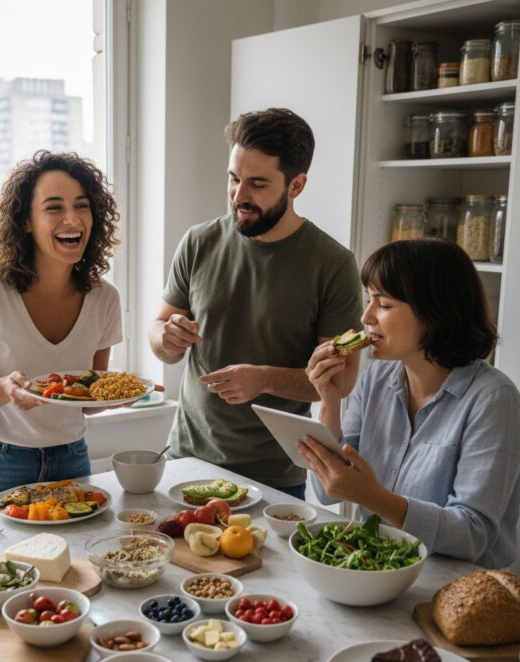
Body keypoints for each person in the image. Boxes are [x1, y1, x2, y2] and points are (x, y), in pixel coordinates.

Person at [148, 108, 363, 497]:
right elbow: (159, 332)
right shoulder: (199, 242)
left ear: (296, 185)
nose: (239, 196)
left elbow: (341, 381)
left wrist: (263, 378)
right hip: (187, 462)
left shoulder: (333, 265)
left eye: (258, 184)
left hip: (273, 477)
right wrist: (166, 337)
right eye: (233, 179)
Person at [299, 238, 520, 568]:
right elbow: (326, 491)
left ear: (435, 311)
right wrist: (329, 399)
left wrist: (371, 496)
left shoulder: (494, 402)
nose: (366, 317)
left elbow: (472, 535)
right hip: (380, 570)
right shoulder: (376, 378)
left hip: (461, 588)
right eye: (368, 300)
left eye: (384, 304)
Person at [0, 150, 122, 499]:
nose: (72, 219)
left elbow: (88, 400)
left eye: (82, 205)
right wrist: (5, 390)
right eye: (54, 207)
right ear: (26, 220)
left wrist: (122, 395)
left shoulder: (105, 299)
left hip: (71, 457)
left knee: (73, 556)